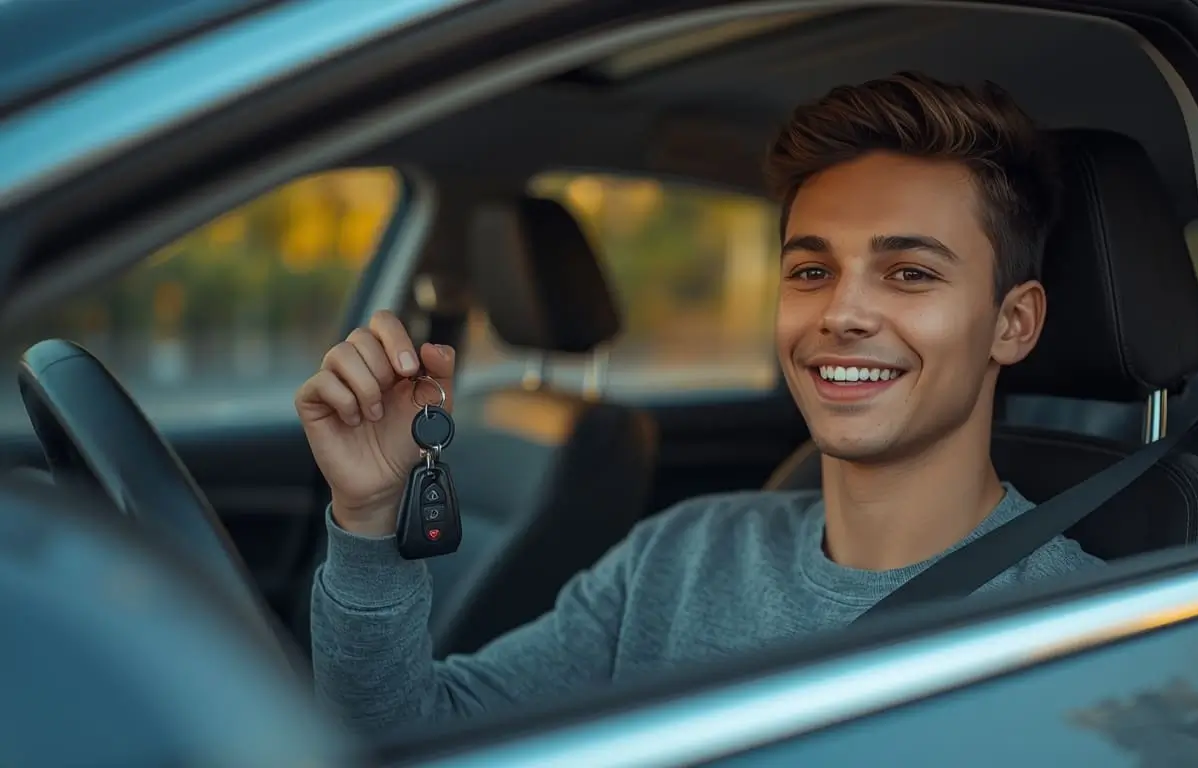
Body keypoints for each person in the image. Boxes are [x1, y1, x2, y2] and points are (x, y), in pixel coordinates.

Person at [298, 72, 1105, 731]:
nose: (841, 313)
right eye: (810, 271)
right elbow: (410, 735)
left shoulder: (1090, 634)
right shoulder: (679, 556)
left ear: (1013, 322)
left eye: (911, 273)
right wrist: (368, 519)